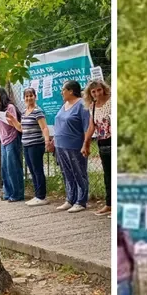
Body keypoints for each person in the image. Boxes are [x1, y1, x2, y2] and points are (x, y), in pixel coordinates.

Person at [53, 80, 92, 213]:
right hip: (60, 145)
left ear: (71, 91)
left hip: (75, 145)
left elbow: (87, 126)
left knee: (79, 172)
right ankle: (70, 198)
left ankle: (81, 201)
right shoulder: (65, 104)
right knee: (67, 173)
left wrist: (86, 144)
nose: (61, 92)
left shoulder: (81, 105)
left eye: (63, 89)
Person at [11, 88, 50, 206]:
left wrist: (47, 140)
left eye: (31, 96)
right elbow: (21, 128)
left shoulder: (38, 111)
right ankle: (37, 194)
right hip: (26, 145)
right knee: (32, 170)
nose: (29, 98)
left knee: (37, 170)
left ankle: (41, 196)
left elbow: (44, 127)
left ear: (35, 96)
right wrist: (12, 119)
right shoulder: (24, 112)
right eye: (26, 96)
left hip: (36, 145)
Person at [0, 87, 24, 203]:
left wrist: (2, 115)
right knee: (5, 168)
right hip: (3, 140)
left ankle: (17, 193)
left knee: (13, 167)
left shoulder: (10, 107)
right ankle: (8, 192)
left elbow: (13, 123)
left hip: (12, 139)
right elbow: (1, 126)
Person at [84, 79, 112, 216]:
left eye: (99, 90)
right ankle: (109, 204)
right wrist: (86, 143)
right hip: (102, 142)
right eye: (93, 91)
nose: (97, 93)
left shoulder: (112, 101)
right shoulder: (92, 106)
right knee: (107, 175)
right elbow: (91, 126)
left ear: (104, 89)